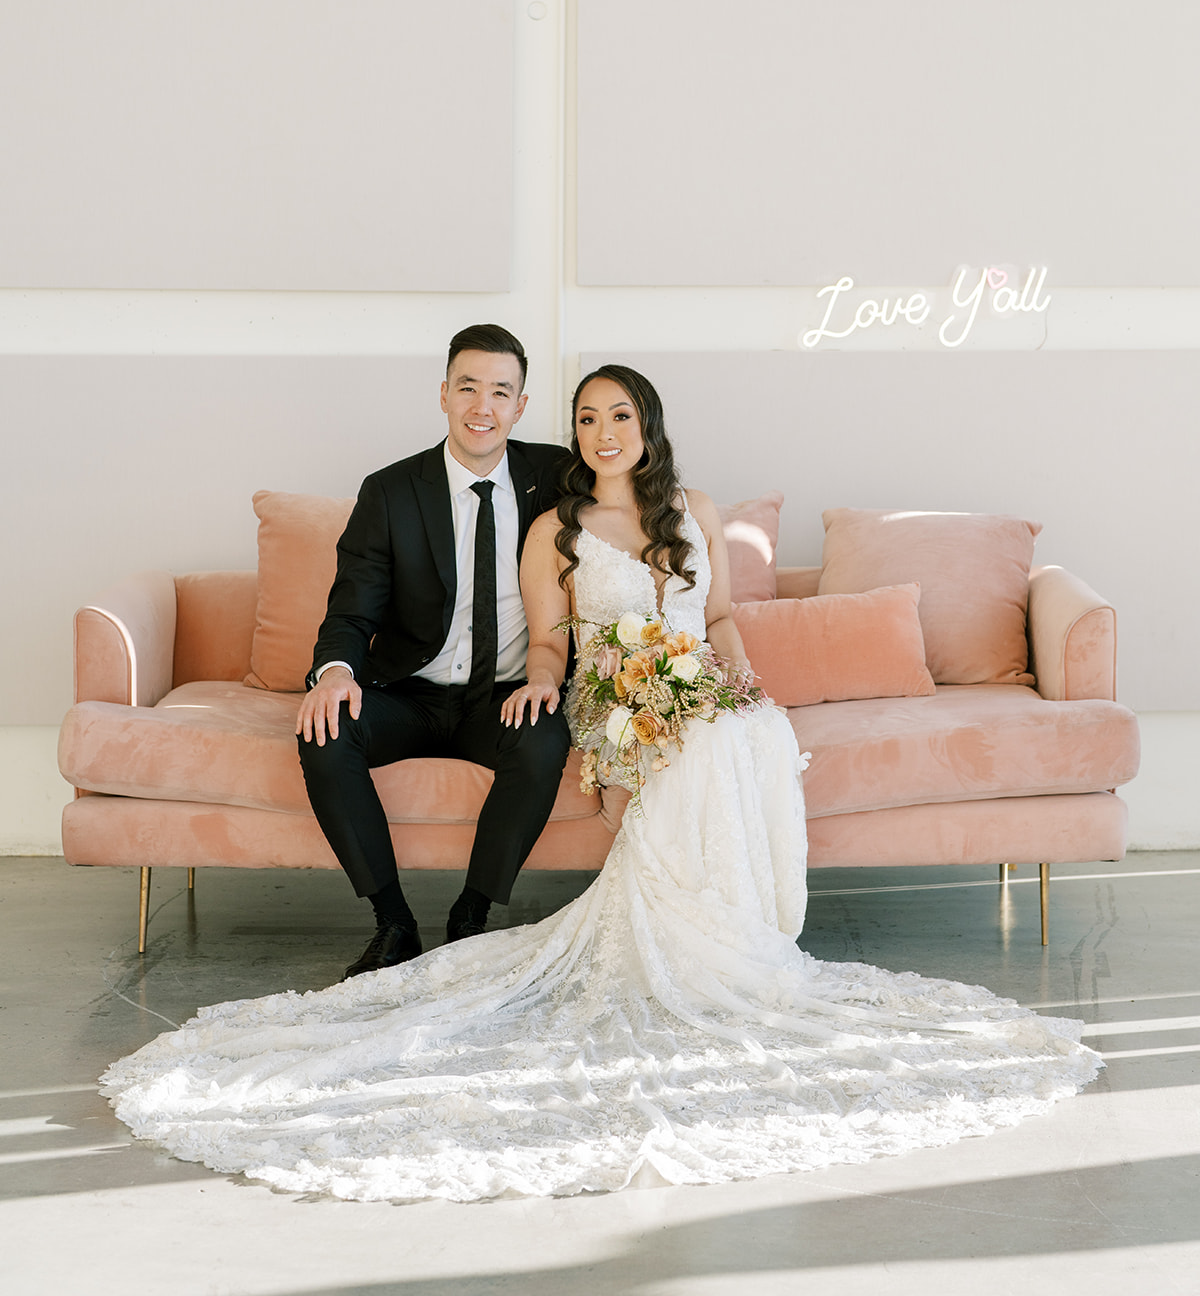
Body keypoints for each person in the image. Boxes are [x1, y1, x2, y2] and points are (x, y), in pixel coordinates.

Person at [102, 365, 1102, 1204]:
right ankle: (664, 941)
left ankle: (740, 944)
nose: (604, 429)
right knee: (698, 747)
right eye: (586, 417)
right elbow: (547, 642)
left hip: (697, 683)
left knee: (750, 736)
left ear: (648, 426)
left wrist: (739, 675)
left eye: (619, 413)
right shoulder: (558, 528)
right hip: (612, 694)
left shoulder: (696, 511)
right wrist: (549, 687)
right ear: (571, 435)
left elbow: (715, 622)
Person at [294, 323, 571, 980]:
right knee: (324, 732)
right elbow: (352, 607)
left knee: (542, 741)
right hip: (410, 692)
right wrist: (333, 674)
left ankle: (471, 917)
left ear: (521, 406)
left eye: (501, 392)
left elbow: (632, 501)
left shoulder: (555, 476)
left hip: (503, 693)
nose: (484, 407)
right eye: (469, 388)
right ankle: (393, 923)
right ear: (444, 394)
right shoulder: (390, 492)